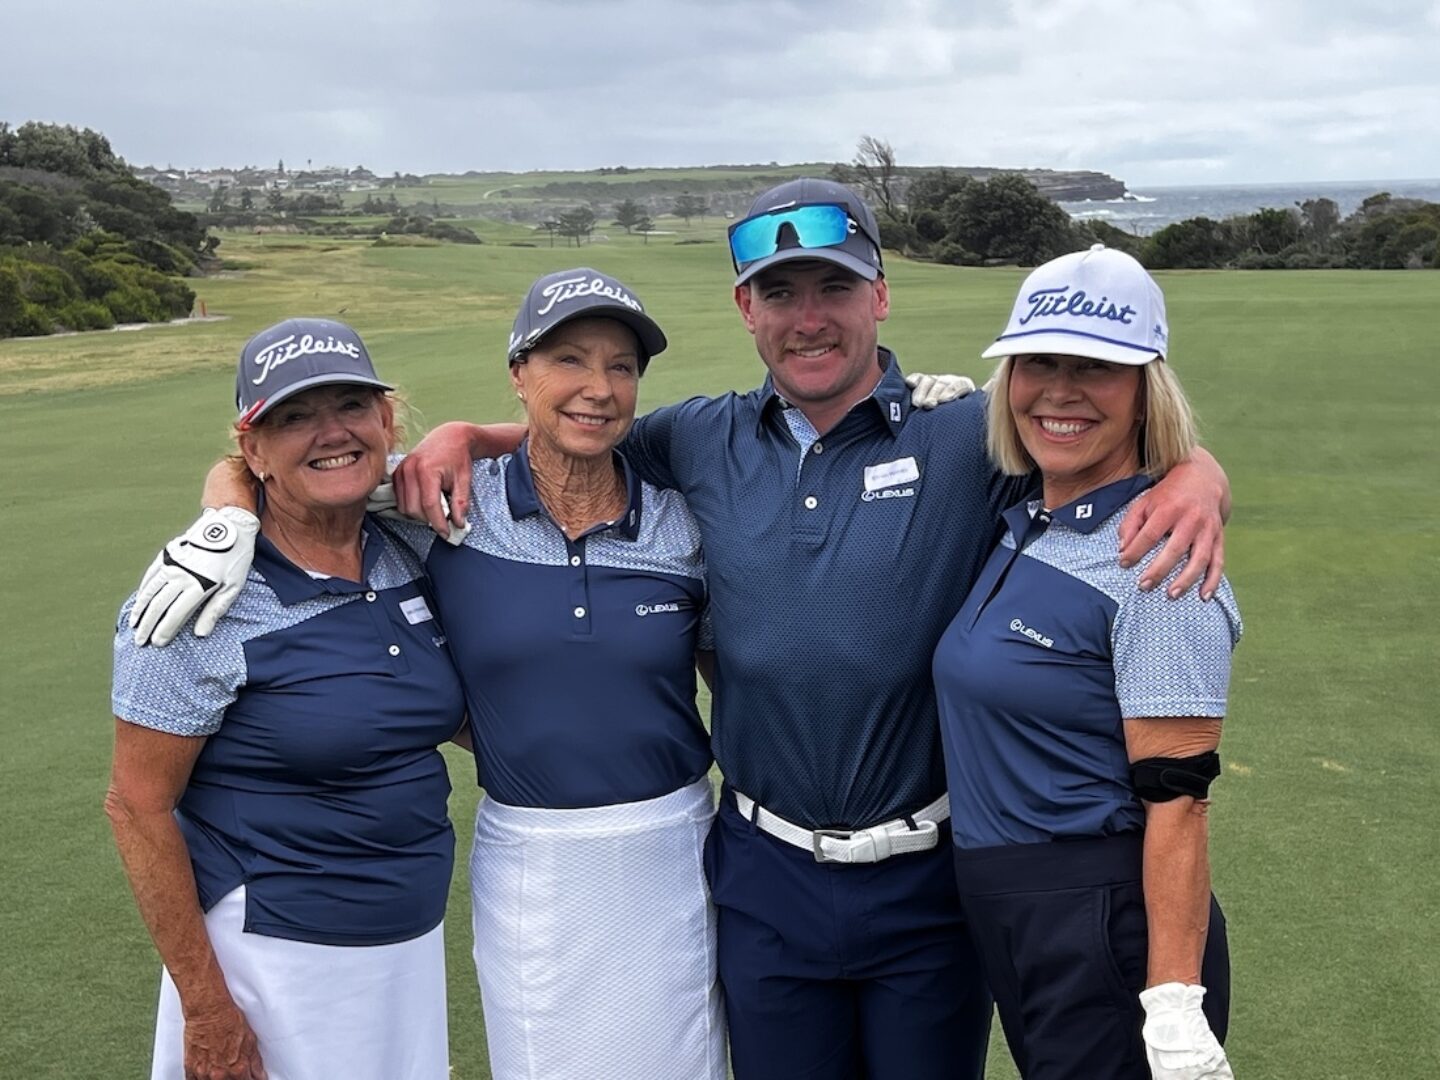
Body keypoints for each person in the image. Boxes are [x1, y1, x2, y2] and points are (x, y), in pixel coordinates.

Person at [136, 180, 1230, 1080]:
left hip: (927, 877)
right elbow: (548, 435)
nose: (808, 317)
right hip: (758, 869)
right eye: (779, 293)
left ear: (880, 297)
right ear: (747, 310)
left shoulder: (964, 437)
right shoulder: (699, 439)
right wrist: (272, 492)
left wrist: (1193, 475)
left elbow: (1083, 431)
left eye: (834, 289)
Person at [128, 271, 727, 1080]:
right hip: (501, 865)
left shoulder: (669, 517)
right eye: (567, 359)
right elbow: (286, 471)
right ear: (518, 372)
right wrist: (226, 513)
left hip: (655, 851)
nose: (599, 385)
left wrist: (465, 433)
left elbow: (581, 432)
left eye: (620, 365)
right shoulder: (438, 510)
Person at [108, 318, 467, 1080]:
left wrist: (464, 434)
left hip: (406, 941)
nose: (331, 432)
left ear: (386, 420)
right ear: (253, 451)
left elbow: (558, 450)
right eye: (294, 416)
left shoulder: (404, 544)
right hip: (272, 954)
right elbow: (136, 806)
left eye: (351, 406)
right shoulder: (199, 595)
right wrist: (206, 1009)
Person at [933, 244, 1238, 1080]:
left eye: (1096, 367)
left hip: (1100, 919)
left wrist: (1171, 1000)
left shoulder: (1158, 560)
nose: (1060, 391)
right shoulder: (1028, 520)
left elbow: (1179, 799)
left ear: (1146, 389)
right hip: (1009, 906)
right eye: (1038, 364)